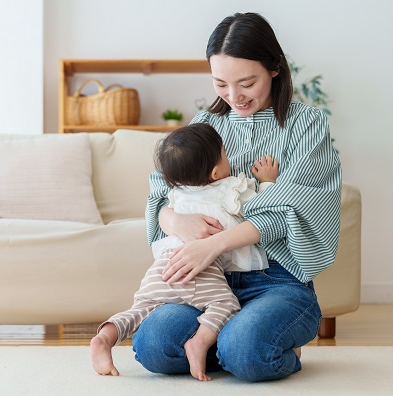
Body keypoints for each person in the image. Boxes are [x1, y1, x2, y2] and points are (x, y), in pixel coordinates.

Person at [133, 12, 342, 382]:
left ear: (275, 68)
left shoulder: (307, 124)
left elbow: (291, 208)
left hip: (276, 280)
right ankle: (228, 342)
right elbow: (164, 193)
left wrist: (211, 245)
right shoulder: (207, 122)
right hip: (207, 282)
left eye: (247, 83)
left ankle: (245, 345)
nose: (234, 97)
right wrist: (176, 220)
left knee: (246, 353)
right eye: (221, 84)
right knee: (152, 345)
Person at [91, 123, 279, 381]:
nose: (229, 160)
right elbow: (262, 210)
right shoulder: (231, 189)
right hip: (199, 268)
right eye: (225, 155)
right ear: (215, 172)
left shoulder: (176, 194)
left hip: (162, 267)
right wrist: (267, 182)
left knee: (142, 308)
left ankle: (105, 336)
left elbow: (159, 212)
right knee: (226, 304)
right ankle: (199, 342)